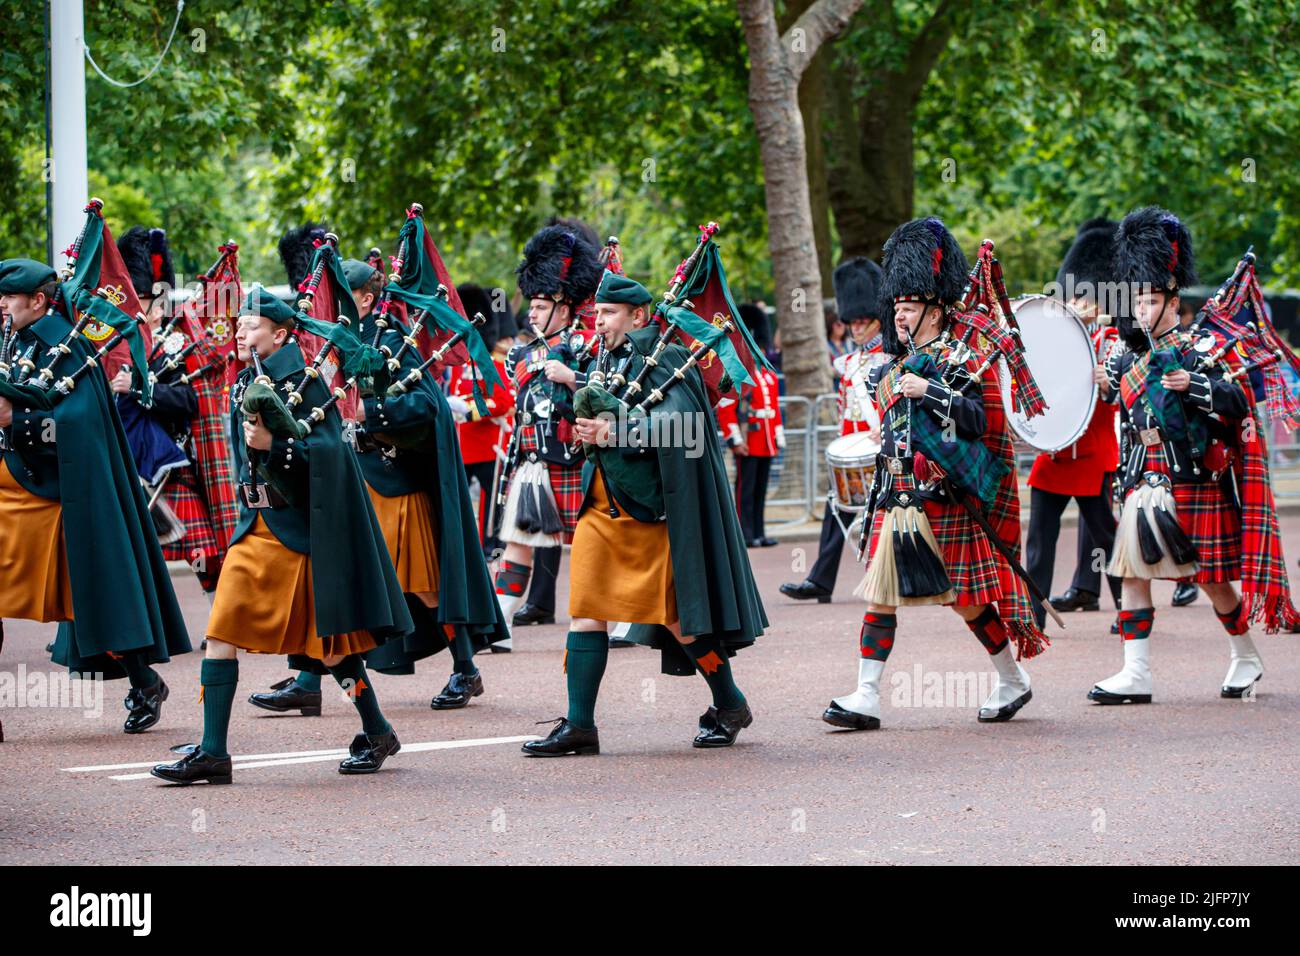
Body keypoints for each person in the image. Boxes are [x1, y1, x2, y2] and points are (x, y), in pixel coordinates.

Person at [151, 285, 413, 784]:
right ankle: (213, 751)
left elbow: (334, 455)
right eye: (240, 323)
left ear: (280, 332)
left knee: (334, 650)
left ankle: (377, 728)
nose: (240, 331)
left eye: (251, 325)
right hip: (259, 527)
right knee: (220, 632)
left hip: (302, 531)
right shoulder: (251, 376)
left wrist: (276, 446)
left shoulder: (306, 380)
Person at [248, 255, 508, 717]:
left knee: (424, 585)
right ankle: (310, 681)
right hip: (350, 481)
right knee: (332, 581)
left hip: (392, 482)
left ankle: (466, 667)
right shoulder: (325, 344)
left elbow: (428, 408)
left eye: (342, 296)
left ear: (365, 298)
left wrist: (370, 413)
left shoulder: (393, 342)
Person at [522, 273, 767, 756]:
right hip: (603, 500)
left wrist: (617, 431)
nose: (599, 321)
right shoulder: (605, 359)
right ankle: (580, 725)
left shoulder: (668, 357)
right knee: (586, 610)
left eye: (609, 313)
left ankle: (731, 703)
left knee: (680, 621)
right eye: (597, 313)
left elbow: (684, 429)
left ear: (639, 316)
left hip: (652, 511)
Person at [820, 218, 1047, 732]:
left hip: (945, 494)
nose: (897, 315)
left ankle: (1012, 679)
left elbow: (978, 422)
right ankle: (867, 694)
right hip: (899, 492)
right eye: (895, 306)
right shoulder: (896, 362)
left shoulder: (962, 358)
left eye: (908, 306)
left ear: (936, 306)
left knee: (966, 601)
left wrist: (932, 393)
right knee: (880, 594)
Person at [0, 257, 190, 736]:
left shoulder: (71, 347)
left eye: (8, 296)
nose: (1, 305)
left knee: (96, 594)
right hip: (11, 481)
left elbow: (78, 428)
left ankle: (144, 680)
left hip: (54, 494)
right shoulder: (14, 339)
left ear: (38, 301)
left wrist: (14, 421)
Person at [1091, 207, 1268, 704]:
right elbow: (1115, 406)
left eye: (1151, 301)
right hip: (1140, 477)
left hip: (1190, 478)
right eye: (1137, 301)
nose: (1142, 310)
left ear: (1173, 301)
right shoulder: (1125, 357)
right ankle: (1136, 673)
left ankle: (1246, 656)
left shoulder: (1199, 349)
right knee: (1130, 572)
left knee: (1211, 580)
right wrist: (1106, 385)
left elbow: (1237, 402)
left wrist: (1196, 387)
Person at [491, 223, 602, 650]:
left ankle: (619, 620)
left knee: (593, 547)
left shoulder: (587, 346)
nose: (531, 314)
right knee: (518, 542)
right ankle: (501, 624)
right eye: (532, 306)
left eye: (540, 306)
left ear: (563, 306)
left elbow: (610, 390)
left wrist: (573, 377)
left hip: (576, 458)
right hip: (532, 459)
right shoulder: (520, 352)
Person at [115, 226, 237, 598]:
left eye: (146, 300)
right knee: (121, 555)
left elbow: (190, 401)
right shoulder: (114, 343)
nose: (140, 310)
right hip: (125, 464)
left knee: (204, 549)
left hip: (172, 464)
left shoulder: (177, 343)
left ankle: (224, 622)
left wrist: (140, 389)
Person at [1025, 219, 1123, 627]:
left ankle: (1130, 608)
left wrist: (1108, 381)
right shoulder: (1055, 339)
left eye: (1087, 298)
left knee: (1108, 539)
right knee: (1039, 541)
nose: (1079, 305)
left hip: (1093, 454)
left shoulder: (1112, 339)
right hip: (1056, 452)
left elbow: (1118, 392)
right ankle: (1033, 616)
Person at [782, 257, 886, 602]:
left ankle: (888, 576)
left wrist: (883, 431)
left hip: (884, 448)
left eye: (863, 322)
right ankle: (820, 580)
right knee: (835, 506)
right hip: (854, 452)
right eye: (852, 322)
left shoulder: (889, 359)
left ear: (876, 320)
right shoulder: (851, 362)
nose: (856, 328)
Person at [449, 283, 514, 559]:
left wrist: (469, 409)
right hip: (462, 444)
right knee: (458, 499)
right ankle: (462, 543)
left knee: (491, 500)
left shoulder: (492, 365)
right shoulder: (456, 366)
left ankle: (491, 544)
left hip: (487, 445)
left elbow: (502, 402)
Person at [718, 303, 784, 547]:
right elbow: (726, 409)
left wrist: (777, 436)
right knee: (744, 492)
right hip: (749, 441)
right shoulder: (737, 373)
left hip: (766, 441)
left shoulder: (768, 375)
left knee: (760, 491)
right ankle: (743, 534)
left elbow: (774, 409)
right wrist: (735, 439)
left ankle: (758, 532)